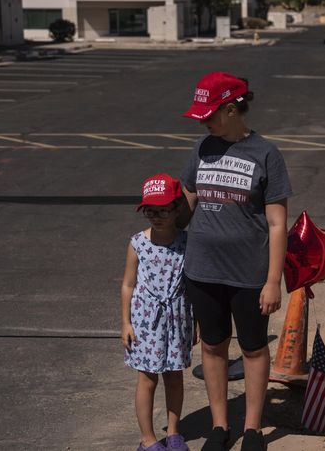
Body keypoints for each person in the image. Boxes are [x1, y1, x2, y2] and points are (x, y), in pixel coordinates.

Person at [179, 71, 292, 451]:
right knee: (212, 345)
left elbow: (277, 223)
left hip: (248, 273)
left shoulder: (266, 154)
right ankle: (219, 425)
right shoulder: (202, 148)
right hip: (202, 269)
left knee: (253, 348)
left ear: (231, 109)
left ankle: (253, 429)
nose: (203, 121)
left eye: (208, 115)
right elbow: (187, 203)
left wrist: (273, 280)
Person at [121, 173, 193, 451]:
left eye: (163, 210)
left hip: (177, 319)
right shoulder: (138, 243)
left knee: (174, 376)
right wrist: (125, 322)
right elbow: (128, 284)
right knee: (147, 378)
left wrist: (195, 322)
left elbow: (192, 284)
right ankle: (147, 438)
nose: (157, 216)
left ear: (177, 209)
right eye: (151, 211)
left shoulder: (186, 242)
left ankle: (174, 432)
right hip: (145, 321)